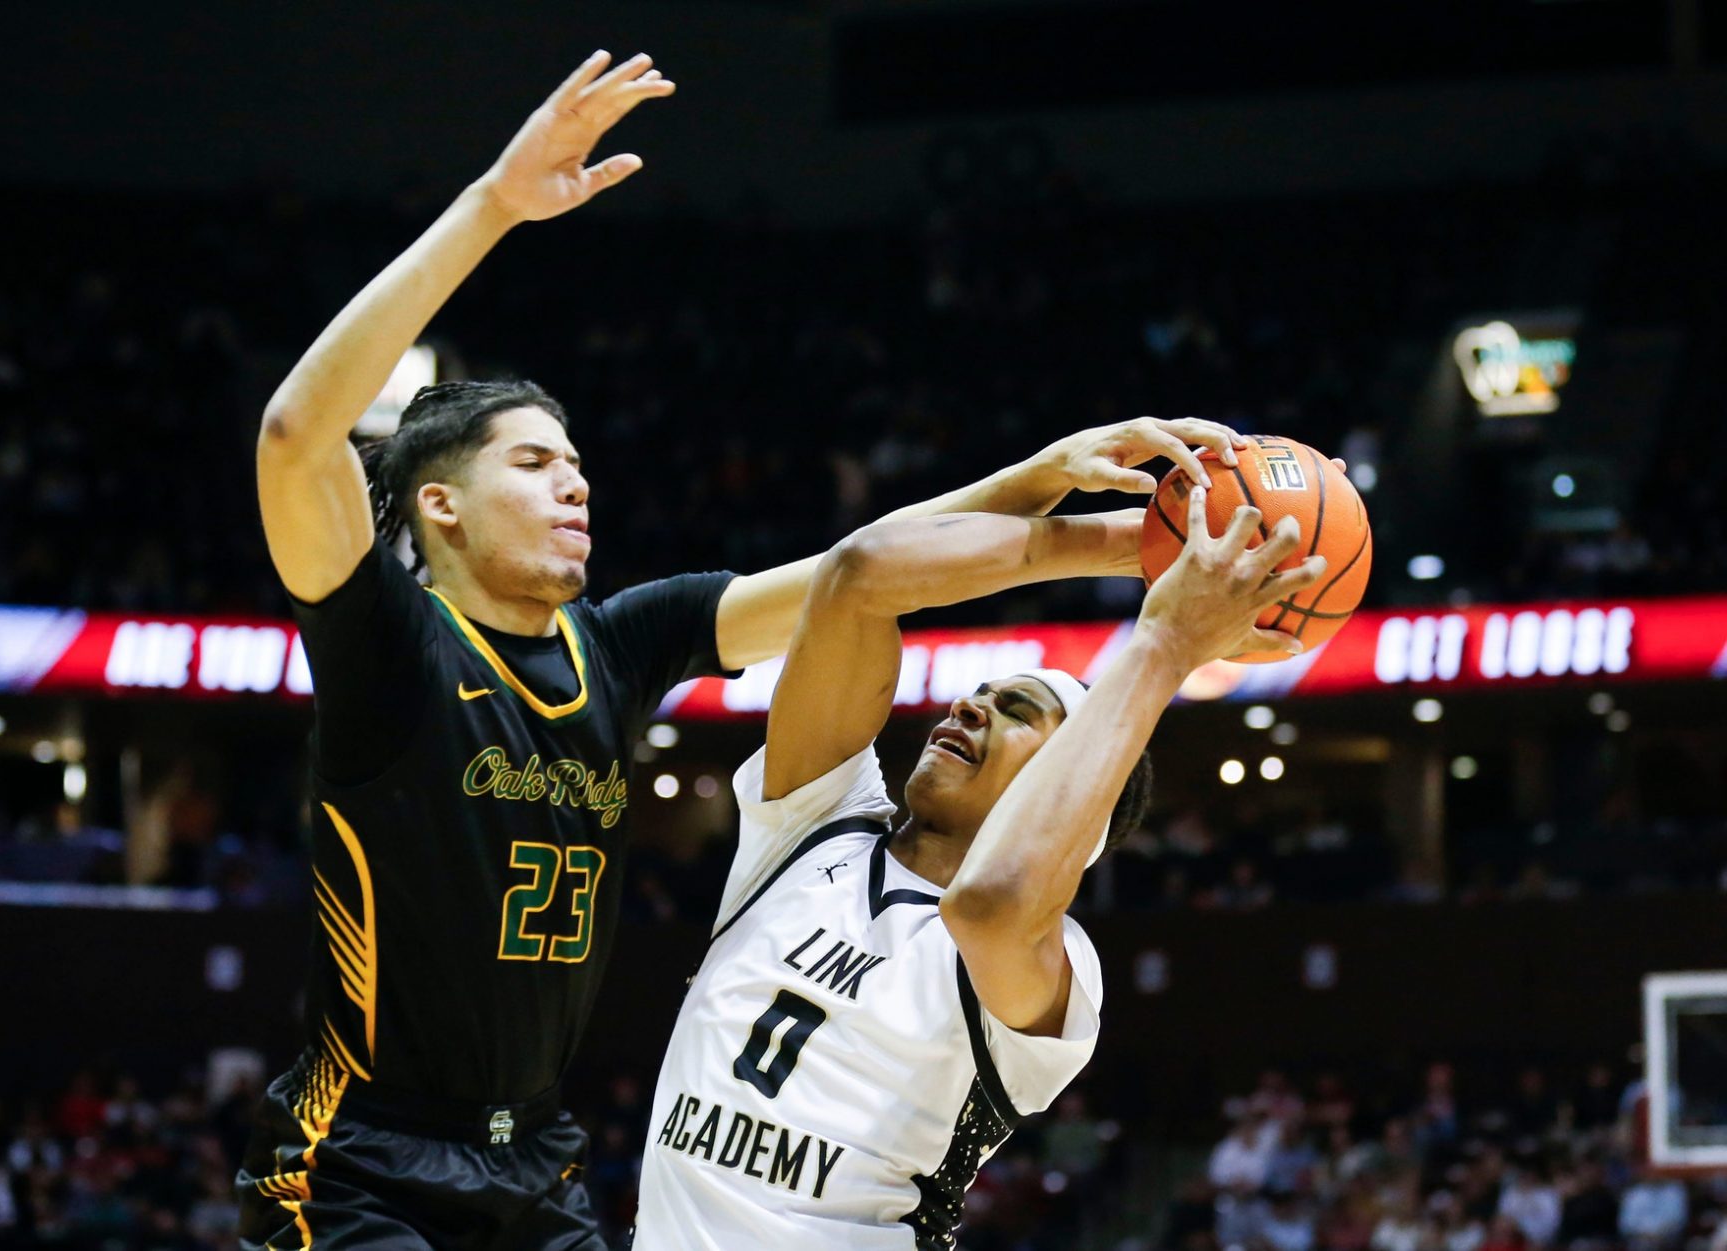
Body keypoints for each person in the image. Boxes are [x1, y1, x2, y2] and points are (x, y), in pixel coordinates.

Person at [241, 48, 1247, 1251]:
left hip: (537, 1166)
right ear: (439, 507)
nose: (575, 484)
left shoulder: (619, 643)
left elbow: (850, 580)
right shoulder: (391, 646)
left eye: (577, 465)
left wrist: (1075, 513)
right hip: (364, 1156)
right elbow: (300, 434)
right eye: (532, 463)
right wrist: (497, 204)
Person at [635, 489, 1322, 1247]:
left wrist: (1166, 643)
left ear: (1074, 788)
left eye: (1018, 710)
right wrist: (1115, 536)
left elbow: (990, 902)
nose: (967, 707)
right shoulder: (812, 828)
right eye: (978, 694)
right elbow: (859, 572)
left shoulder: (1060, 965)